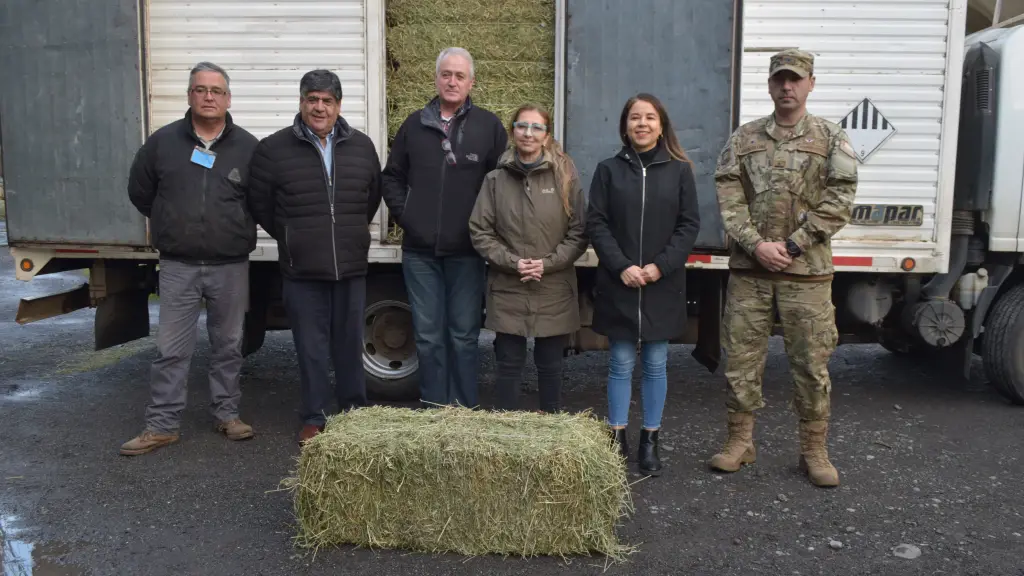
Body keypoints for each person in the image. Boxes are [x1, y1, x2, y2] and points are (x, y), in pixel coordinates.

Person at [711, 49, 858, 487]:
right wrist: (757, 246)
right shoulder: (744, 138)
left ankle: (813, 450)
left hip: (806, 275)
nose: (787, 87)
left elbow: (841, 200)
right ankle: (740, 442)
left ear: (811, 82)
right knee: (740, 360)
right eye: (780, 80)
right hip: (751, 273)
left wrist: (793, 245)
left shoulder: (831, 138)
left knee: (811, 365)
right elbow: (728, 196)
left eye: (796, 79)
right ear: (770, 84)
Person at [122, 62, 258, 456]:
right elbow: (140, 192)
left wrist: (233, 226)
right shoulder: (162, 143)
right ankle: (162, 425)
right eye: (201, 89)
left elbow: (261, 200)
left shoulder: (248, 148)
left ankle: (227, 414)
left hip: (230, 264)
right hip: (179, 264)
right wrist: (170, 222)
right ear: (190, 96)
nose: (209, 96)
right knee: (171, 349)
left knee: (229, 345)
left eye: (216, 90)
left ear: (228, 98)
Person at [248, 69, 382, 444]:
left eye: (327, 100)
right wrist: (295, 236)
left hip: (351, 266)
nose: (319, 107)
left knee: (349, 345)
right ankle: (314, 416)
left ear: (338, 106)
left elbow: (370, 197)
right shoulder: (273, 149)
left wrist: (348, 234)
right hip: (302, 270)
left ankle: (355, 412)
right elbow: (260, 203)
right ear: (301, 102)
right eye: (312, 99)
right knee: (310, 347)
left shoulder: (362, 146)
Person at [381, 47, 509, 409]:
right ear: (436, 79)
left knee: (464, 335)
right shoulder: (414, 124)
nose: (452, 81)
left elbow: (501, 185)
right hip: (420, 251)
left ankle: (465, 408)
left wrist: (485, 228)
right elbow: (391, 178)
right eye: (446, 74)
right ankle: (435, 407)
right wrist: (407, 215)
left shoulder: (489, 127)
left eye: (459, 76)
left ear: (472, 82)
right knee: (427, 335)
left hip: (467, 251)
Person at [586, 93, 701, 476]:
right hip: (619, 281)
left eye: (649, 117)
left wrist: (659, 267)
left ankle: (649, 440)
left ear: (661, 125)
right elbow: (597, 223)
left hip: (662, 283)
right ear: (625, 126)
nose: (642, 124)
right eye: (635, 117)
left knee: (655, 362)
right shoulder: (607, 170)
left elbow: (688, 226)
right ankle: (616, 436)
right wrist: (621, 266)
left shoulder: (680, 170)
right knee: (619, 361)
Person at [468, 104, 588, 413]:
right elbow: (480, 230)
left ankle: (551, 433)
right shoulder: (495, 180)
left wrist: (547, 264)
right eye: (522, 126)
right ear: (512, 132)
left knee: (550, 365)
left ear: (547, 136)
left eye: (536, 128)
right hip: (508, 283)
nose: (528, 133)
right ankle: (509, 434)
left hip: (553, 286)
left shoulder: (566, 177)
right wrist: (512, 262)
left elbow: (579, 231)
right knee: (508, 364)